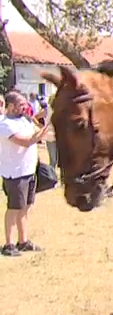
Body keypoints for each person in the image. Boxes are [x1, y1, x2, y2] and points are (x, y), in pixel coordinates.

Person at [0, 91, 47, 256]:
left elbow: (38, 134)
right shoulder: (5, 125)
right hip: (15, 174)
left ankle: (23, 241)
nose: (25, 107)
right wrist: (44, 129)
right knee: (14, 209)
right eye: (21, 105)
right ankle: (9, 245)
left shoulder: (24, 120)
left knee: (25, 208)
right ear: (11, 106)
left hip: (28, 171)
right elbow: (26, 142)